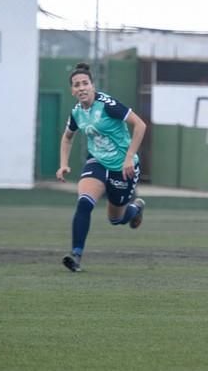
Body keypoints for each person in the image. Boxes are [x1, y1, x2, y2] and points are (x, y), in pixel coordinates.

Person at [56, 62, 147, 272]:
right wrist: (63, 165)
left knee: (116, 219)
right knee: (84, 203)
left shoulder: (107, 104)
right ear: (72, 90)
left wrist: (129, 157)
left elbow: (140, 125)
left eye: (85, 83)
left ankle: (136, 209)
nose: (81, 88)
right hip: (97, 162)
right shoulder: (77, 112)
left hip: (123, 167)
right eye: (77, 85)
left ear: (92, 85)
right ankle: (76, 256)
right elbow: (67, 137)